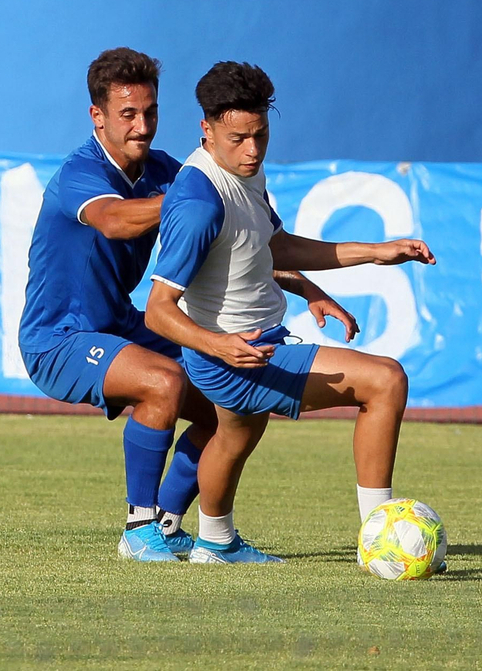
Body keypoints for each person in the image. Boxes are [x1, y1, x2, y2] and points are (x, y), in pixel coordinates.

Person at [18, 48, 356, 562]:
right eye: (128, 114)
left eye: (150, 112)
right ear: (98, 116)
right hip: (59, 338)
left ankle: (173, 524)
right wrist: (193, 200)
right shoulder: (80, 174)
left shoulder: (165, 172)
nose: (142, 125)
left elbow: (237, 235)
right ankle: (139, 528)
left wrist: (307, 288)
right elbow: (114, 220)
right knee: (164, 382)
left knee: (233, 405)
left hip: (120, 326)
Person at [144, 61, 436, 565]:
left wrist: (371, 255)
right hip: (234, 353)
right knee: (385, 381)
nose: (253, 149)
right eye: (238, 138)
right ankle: (379, 539)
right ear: (206, 129)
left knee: (235, 434)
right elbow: (158, 311)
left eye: (260, 135)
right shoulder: (197, 201)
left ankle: (214, 541)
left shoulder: (243, 173)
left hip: (250, 342)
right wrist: (219, 346)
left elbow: (274, 246)